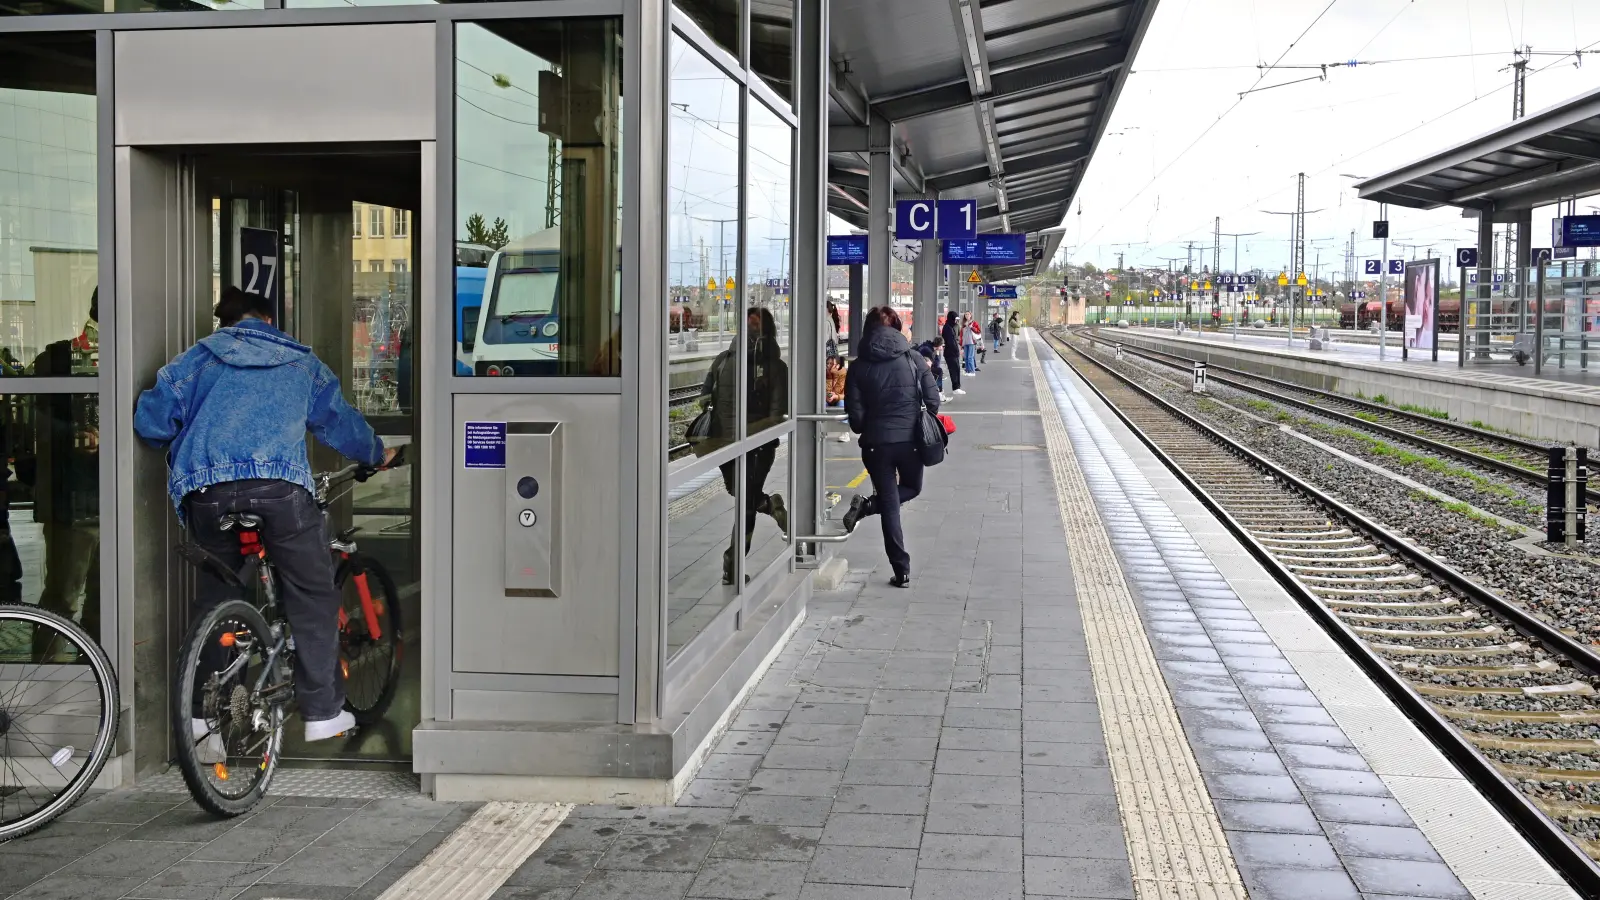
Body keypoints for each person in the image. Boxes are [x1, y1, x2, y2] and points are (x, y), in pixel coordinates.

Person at [135, 286, 400, 756]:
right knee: (313, 591)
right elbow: (340, 424)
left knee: (217, 597)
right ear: (270, 320)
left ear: (228, 324)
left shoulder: (197, 360)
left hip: (208, 494)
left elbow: (152, 423)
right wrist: (378, 454)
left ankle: (201, 724)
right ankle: (321, 712)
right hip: (280, 493)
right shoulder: (301, 364)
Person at [841, 307, 940, 587]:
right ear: (897, 327)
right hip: (910, 443)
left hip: (876, 445)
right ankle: (869, 507)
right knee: (911, 488)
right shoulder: (915, 359)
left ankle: (901, 570)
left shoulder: (858, 366)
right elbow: (933, 403)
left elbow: (857, 421)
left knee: (889, 501)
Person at [702, 307, 789, 583]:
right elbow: (778, 414)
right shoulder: (775, 367)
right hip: (753, 445)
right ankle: (770, 504)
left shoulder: (722, 360)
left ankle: (733, 564)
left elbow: (704, 399)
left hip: (727, 443)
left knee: (744, 501)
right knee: (745, 497)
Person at [826, 356, 852, 442]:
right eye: (827, 363)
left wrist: (836, 396)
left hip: (839, 398)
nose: (828, 366)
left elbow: (847, 394)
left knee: (842, 403)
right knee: (820, 403)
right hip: (827, 399)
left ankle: (844, 432)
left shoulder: (845, 375)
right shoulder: (824, 374)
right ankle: (822, 430)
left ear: (838, 365)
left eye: (831, 364)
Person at [939, 310, 964, 395]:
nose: (956, 321)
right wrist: (957, 350)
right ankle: (956, 387)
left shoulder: (950, 326)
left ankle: (957, 387)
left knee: (956, 369)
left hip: (953, 352)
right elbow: (951, 342)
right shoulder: (947, 328)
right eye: (955, 319)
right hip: (950, 353)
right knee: (954, 370)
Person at [917, 336, 949, 403]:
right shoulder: (929, 351)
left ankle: (939, 391)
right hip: (920, 369)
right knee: (939, 371)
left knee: (938, 371)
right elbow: (935, 365)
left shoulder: (928, 346)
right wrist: (937, 355)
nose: (942, 348)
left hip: (917, 367)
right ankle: (938, 392)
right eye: (942, 346)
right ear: (939, 345)